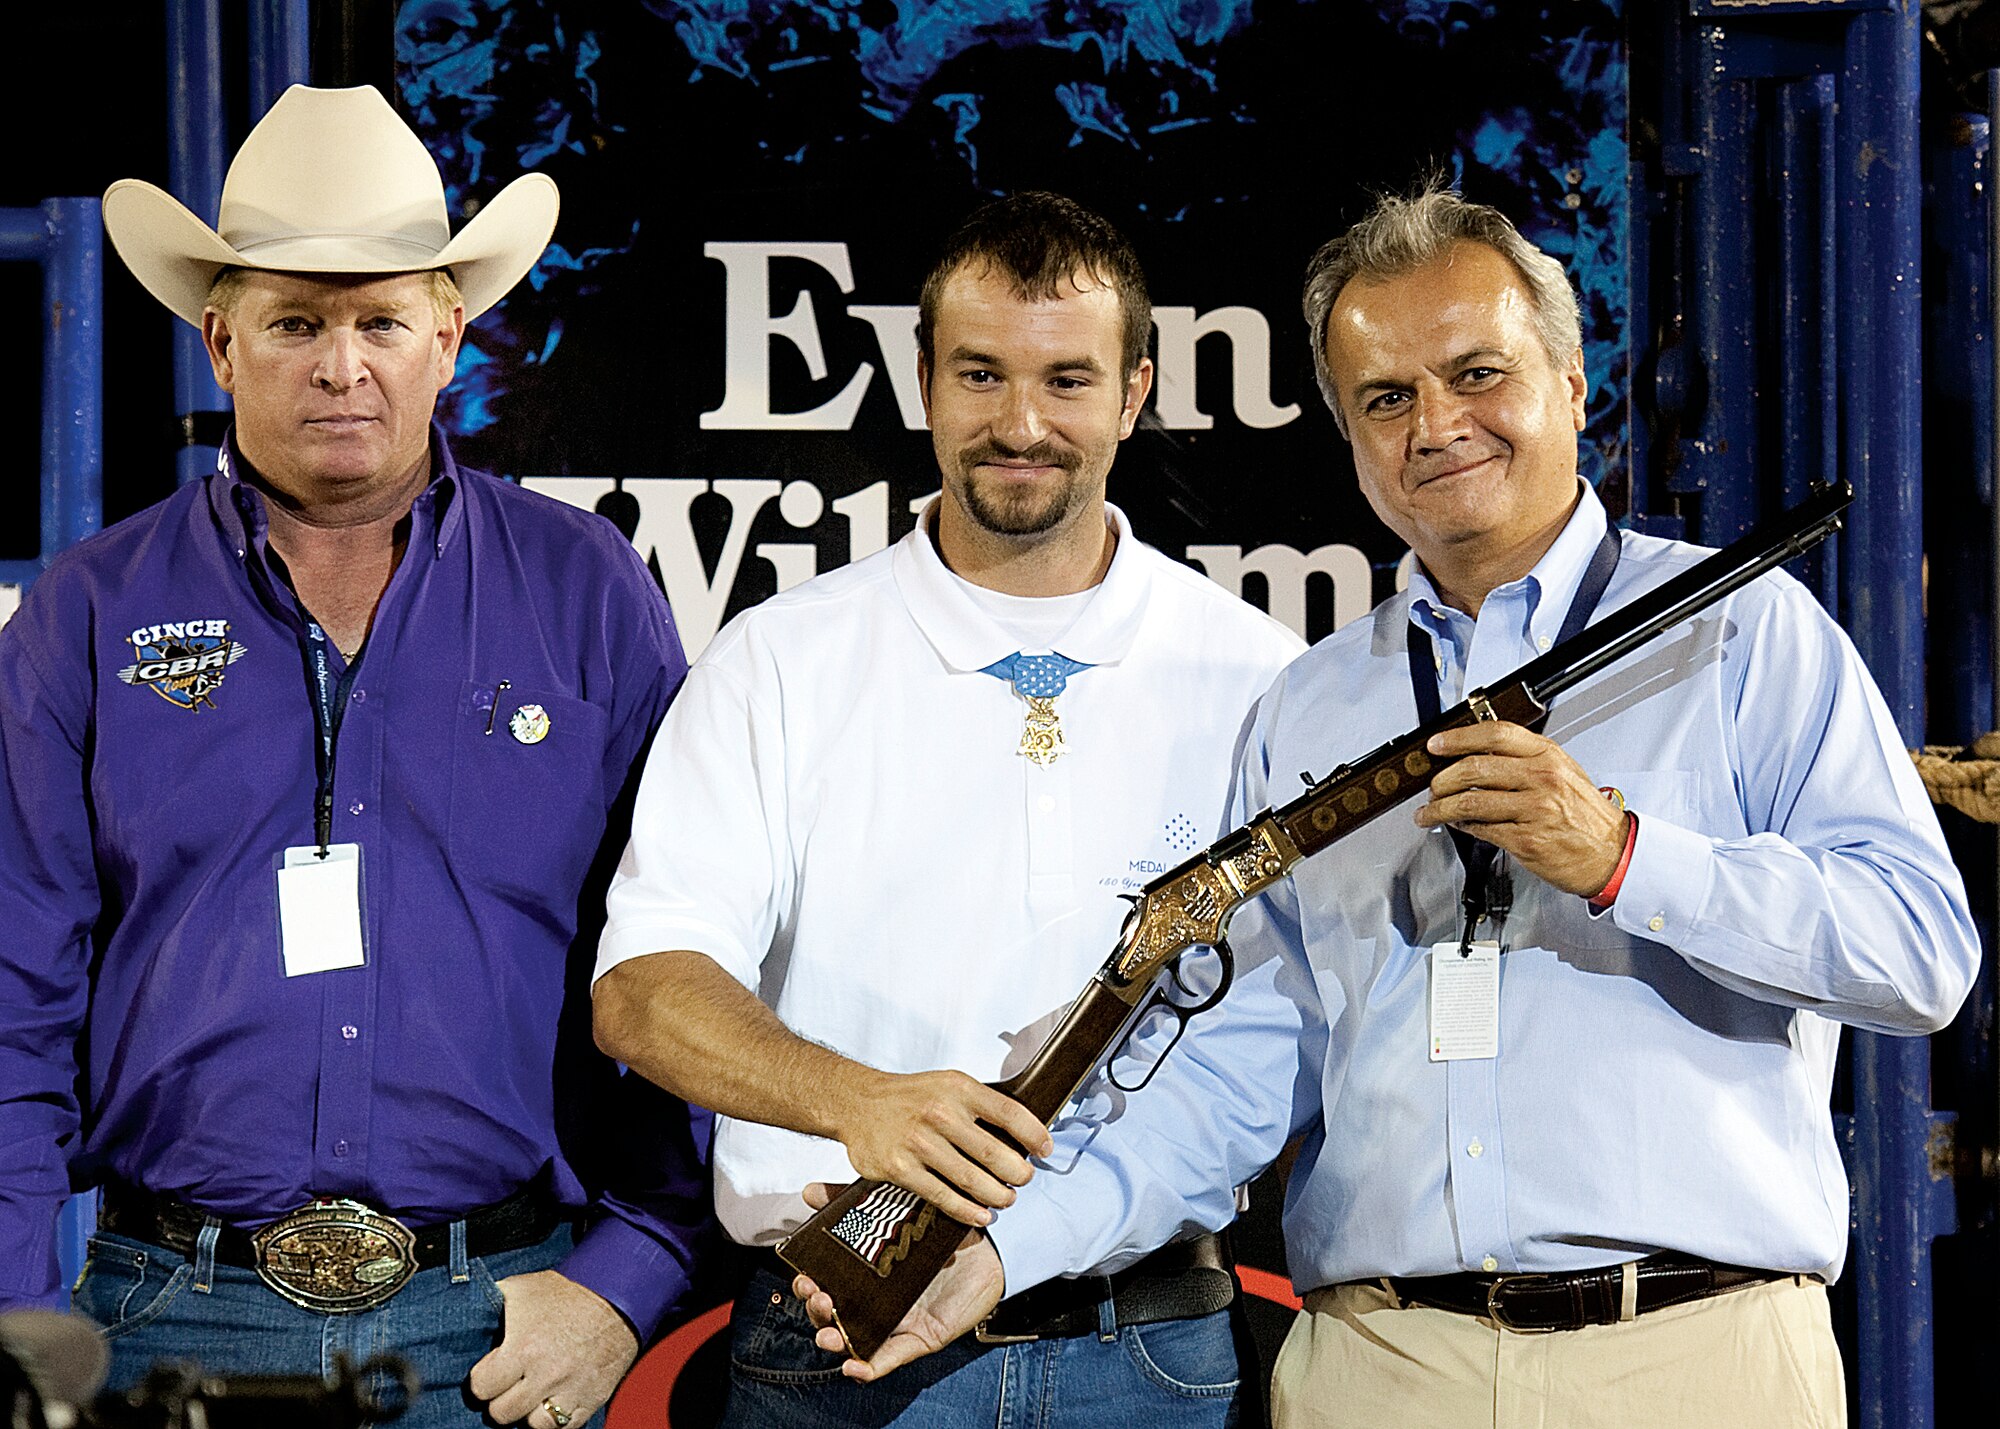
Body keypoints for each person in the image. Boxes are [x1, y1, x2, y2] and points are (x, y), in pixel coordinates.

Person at [798, 185, 1982, 1428]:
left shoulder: (1744, 632)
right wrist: (996, 1258)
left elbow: (1918, 953)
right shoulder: (1308, 708)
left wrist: (1625, 856)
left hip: (1690, 1353)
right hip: (1381, 1367)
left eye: (1476, 374)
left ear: (1573, 386)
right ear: (1350, 439)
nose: (1435, 426)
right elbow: (1238, 1074)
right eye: (1385, 398)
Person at [0, 85, 707, 1429]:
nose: (343, 367)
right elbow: (7, 993)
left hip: (502, 1327)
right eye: (295, 324)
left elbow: (685, 961)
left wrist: (628, 1277)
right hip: (164, 1323)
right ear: (219, 340)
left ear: (449, 333)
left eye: (382, 319)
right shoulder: (87, 616)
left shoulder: (585, 592)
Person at [591, 190, 1304, 1426]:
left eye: (1066, 380)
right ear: (921, 379)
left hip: (1147, 1346)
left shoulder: (1257, 676)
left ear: (1135, 393)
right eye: (980, 374)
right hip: (839, 1339)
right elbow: (642, 993)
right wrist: (859, 1102)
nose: (1019, 424)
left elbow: (1292, 1033)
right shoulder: (777, 658)